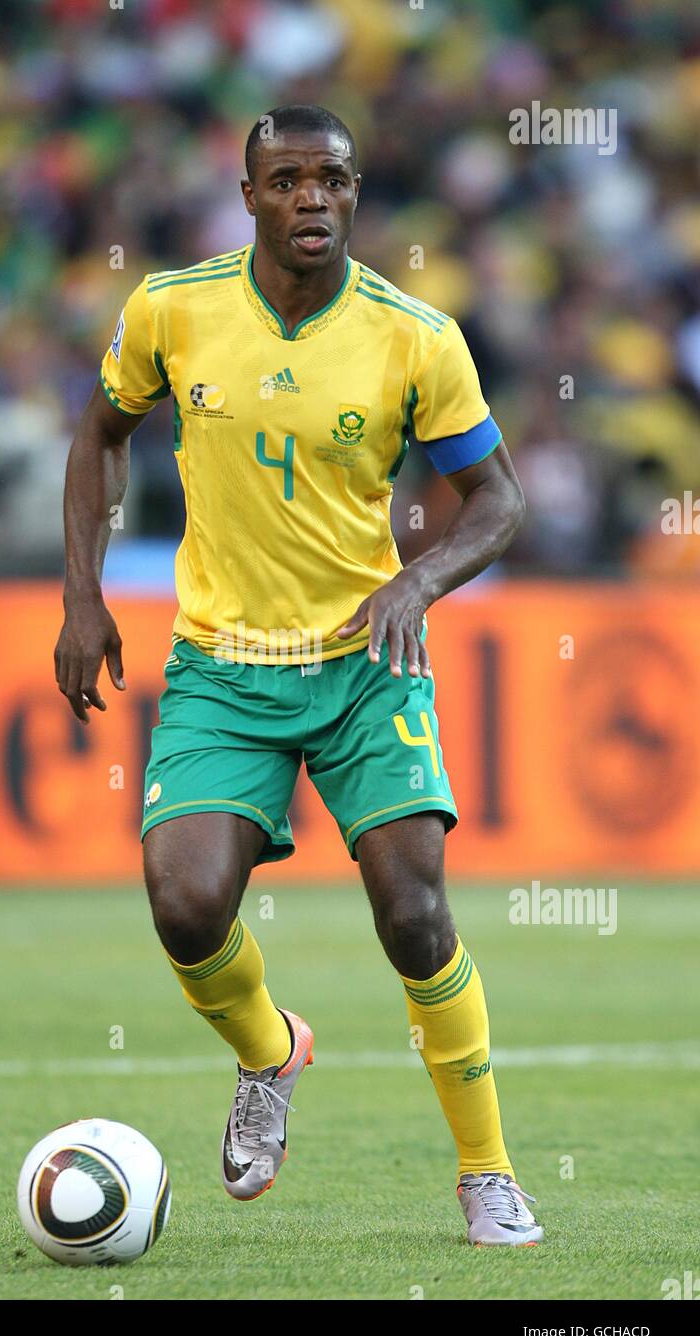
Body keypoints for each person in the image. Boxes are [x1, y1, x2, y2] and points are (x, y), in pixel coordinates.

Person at [55, 105, 542, 1246]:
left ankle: (489, 1173)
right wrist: (81, 592)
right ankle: (271, 1053)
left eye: (330, 180)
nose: (309, 200)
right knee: (184, 904)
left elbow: (503, 499)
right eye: (285, 181)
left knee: (415, 913)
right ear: (250, 196)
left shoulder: (415, 335)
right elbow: (100, 434)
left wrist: (418, 582)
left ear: (357, 194)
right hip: (225, 665)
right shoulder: (171, 310)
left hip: (367, 665)